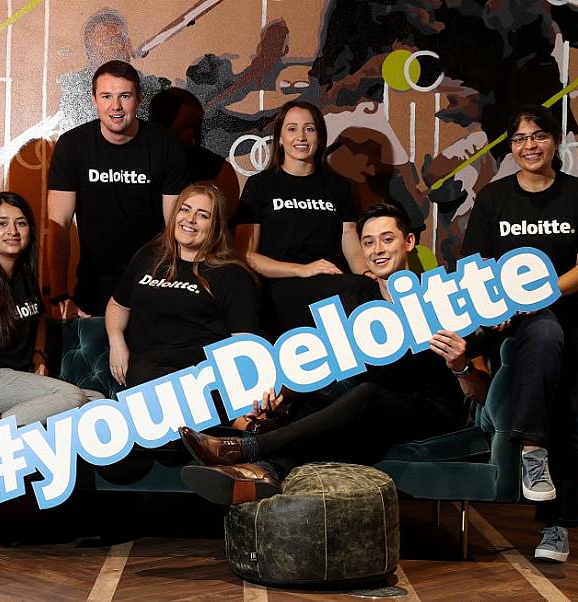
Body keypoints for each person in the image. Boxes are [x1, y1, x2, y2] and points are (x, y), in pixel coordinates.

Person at [179, 202, 487, 503]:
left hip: (431, 411)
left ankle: (246, 449)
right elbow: (328, 365)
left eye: (387, 239)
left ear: (409, 242)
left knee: (367, 394)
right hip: (369, 413)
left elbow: (481, 392)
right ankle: (264, 472)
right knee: (320, 401)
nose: (377, 249)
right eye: (368, 242)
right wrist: (283, 396)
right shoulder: (356, 297)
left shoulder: (443, 298)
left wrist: (460, 365)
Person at [460, 105, 578, 563]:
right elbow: (475, 269)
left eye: (539, 136)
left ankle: (556, 527)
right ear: (511, 146)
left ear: (556, 141)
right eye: (521, 138)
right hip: (512, 319)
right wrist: (502, 305)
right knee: (542, 332)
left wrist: (540, 294)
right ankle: (530, 448)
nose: (530, 146)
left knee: (567, 420)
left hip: (572, 316)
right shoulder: (493, 199)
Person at [0, 192, 91, 512]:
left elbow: (34, 317)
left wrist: (38, 353)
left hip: (13, 381)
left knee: (100, 404)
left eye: (21, 223)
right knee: (73, 399)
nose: (13, 230)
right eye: (2, 223)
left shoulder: (24, 274)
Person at [46, 59, 188, 319]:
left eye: (125, 96)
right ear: (93, 99)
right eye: (106, 96)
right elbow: (58, 224)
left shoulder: (165, 145)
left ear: (139, 98)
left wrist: (176, 285)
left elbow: (175, 225)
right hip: (93, 287)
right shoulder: (73, 145)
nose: (116, 106)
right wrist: (58, 294)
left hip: (152, 283)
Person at [232, 100, 370, 335]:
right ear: (281, 139)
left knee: (365, 289)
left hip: (331, 281)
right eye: (292, 129)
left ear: (320, 137)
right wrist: (301, 269)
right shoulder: (260, 185)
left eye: (310, 128)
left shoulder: (338, 187)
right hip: (279, 286)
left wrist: (367, 276)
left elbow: (350, 241)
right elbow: (245, 255)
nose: (301, 137)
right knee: (351, 292)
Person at [106, 183, 259, 392]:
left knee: (144, 374)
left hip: (200, 374)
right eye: (185, 209)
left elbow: (243, 344)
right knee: (143, 373)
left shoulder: (233, 275)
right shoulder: (149, 256)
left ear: (216, 226)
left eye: (203, 215)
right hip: (145, 376)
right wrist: (116, 341)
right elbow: (117, 305)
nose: (190, 219)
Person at [147, 87, 240, 215]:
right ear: (160, 127)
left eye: (196, 126)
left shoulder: (218, 170)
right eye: (184, 128)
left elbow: (224, 224)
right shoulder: (134, 166)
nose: (192, 135)